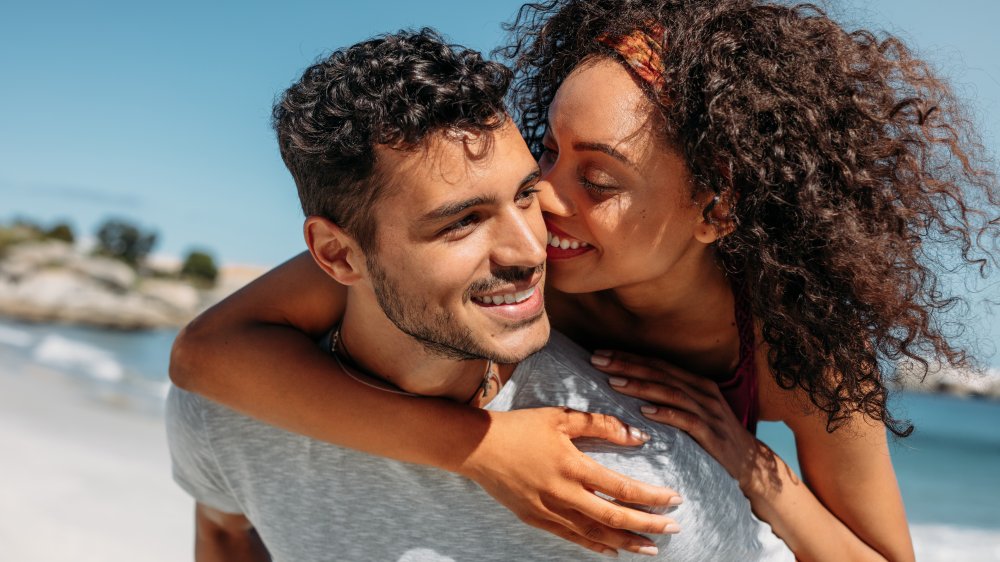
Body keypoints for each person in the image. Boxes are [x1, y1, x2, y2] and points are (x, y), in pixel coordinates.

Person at [171, 1, 999, 560]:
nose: (543, 208)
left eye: (597, 182)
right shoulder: (525, 259)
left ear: (716, 207)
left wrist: (753, 471)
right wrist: (482, 450)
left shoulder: (797, 346)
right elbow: (210, 354)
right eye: (548, 158)